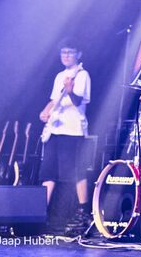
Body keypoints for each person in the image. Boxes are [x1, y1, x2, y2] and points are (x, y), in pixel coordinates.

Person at [38, 37, 92, 230]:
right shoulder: (59, 75)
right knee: (48, 172)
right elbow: (54, 99)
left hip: (72, 130)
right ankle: (40, 212)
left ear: (78, 54)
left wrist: (70, 90)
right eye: (63, 52)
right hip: (55, 130)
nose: (66, 56)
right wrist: (45, 111)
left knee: (76, 171)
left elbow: (78, 101)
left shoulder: (82, 75)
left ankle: (83, 212)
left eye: (70, 52)